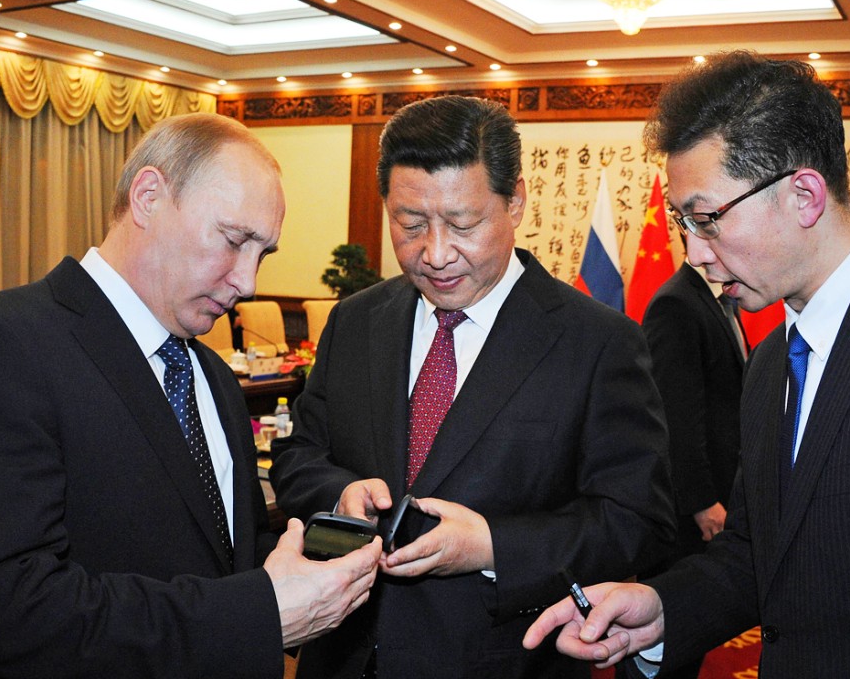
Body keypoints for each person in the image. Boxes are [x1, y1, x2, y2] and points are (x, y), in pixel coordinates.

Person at [524, 50, 850, 678]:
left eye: (707, 220)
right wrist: (660, 607)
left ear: (803, 194)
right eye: (683, 223)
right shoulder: (774, 358)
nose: (694, 252)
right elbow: (759, 554)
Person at [0, 112, 381, 678]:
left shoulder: (212, 375)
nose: (247, 282)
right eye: (233, 240)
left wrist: (318, 553)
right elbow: (4, 616)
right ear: (148, 196)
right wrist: (260, 613)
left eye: (262, 254)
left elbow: (220, 548)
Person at [269, 94, 675, 679]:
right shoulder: (356, 321)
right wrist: (341, 495)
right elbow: (299, 454)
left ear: (516, 202)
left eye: (463, 224)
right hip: (345, 658)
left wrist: (491, 545)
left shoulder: (597, 342)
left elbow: (637, 522)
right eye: (410, 225)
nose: (435, 254)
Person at [638, 257, 747, 679]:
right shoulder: (676, 304)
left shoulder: (720, 299)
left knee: (689, 635)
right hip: (685, 511)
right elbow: (674, 418)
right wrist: (702, 503)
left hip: (714, 493)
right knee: (664, 642)